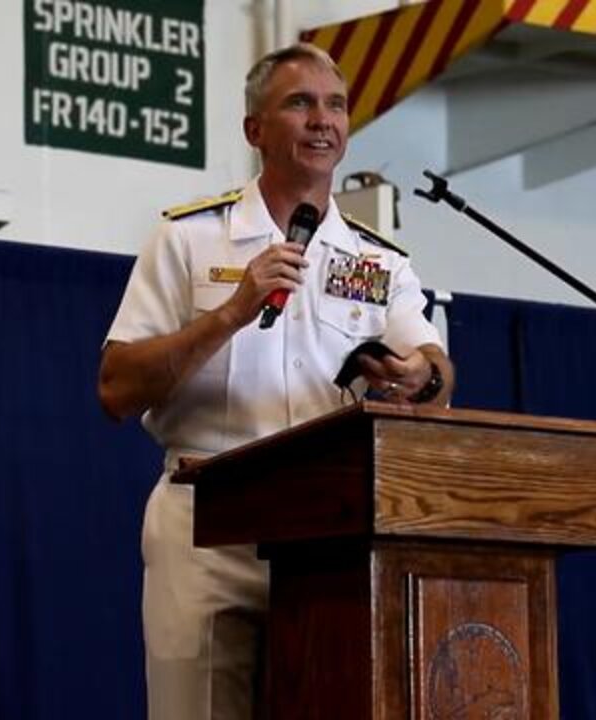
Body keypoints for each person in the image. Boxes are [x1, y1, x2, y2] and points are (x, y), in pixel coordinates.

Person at [97, 42, 454, 720]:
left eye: (336, 105)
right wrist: (232, 312)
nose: (323, 120)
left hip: (330, 538)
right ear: (254, 131)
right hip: (208, 525)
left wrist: (417, 375)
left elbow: (436, 373)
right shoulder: (189, 239)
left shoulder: (378, 263)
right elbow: (115, 387)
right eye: (299, 103)